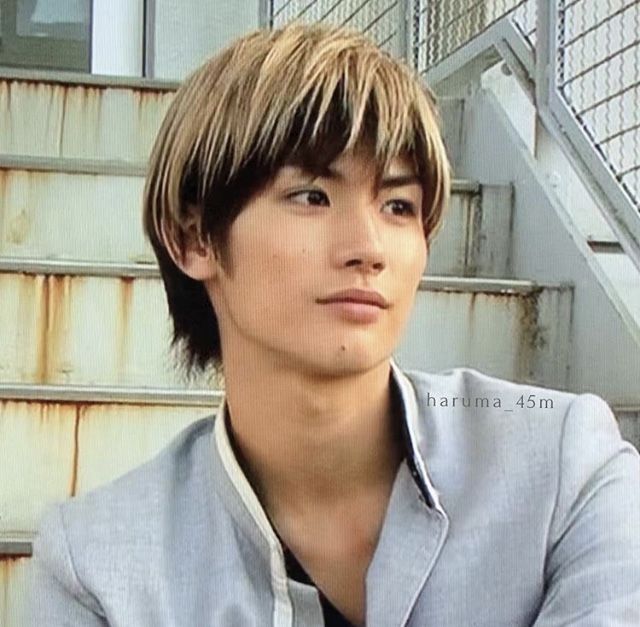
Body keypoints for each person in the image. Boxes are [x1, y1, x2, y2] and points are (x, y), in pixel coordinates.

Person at [25, 19, 640, 627]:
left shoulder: (565, 466)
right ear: (194, 238)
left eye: (399, 206)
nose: (368, 247)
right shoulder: (99, 566)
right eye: (312, 196)